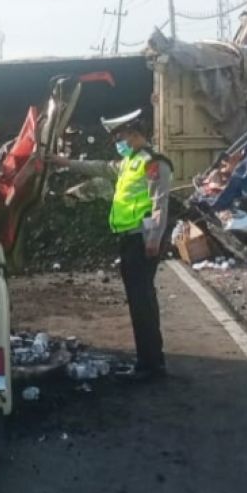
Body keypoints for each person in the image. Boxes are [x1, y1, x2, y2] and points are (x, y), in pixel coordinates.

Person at [50, 109, 173, 380]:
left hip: (142, 240)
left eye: (121, 137)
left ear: (135, 134)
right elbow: (100, 167)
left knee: (142, 302)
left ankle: (151, 365)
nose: (118, 142)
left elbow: (159, 203)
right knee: (138, 301)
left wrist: (153, 239)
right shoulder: (129, 162)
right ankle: (147, 361)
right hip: (130, 239)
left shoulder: (153, 163)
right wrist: (64, 162)